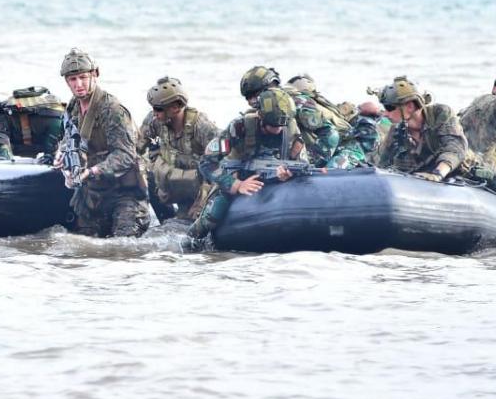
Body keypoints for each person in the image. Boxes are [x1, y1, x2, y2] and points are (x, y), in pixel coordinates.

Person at [377, 76, 496, 244]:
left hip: (471, 170)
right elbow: (381, 163)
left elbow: (455, 148)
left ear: (410, 106)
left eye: (389, 108)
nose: (385, 113)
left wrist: (438, 173)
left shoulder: (440, 114)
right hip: (428, 173)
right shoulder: (397, 132)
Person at [184, 88, 308, 249]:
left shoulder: (289, 127)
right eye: (273, 124)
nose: (278, 129)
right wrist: (236, 185)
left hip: (273, 176)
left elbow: (299, 162)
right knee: (214, 213)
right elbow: (207, 163)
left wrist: (286, 175)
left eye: (282, 125)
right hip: (239, 174)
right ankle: (190, 240)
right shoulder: (239, 127)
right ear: (261, 117)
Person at [55, 48, 149, 238]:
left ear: (95, 75)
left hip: (125, 195)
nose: (78, 84)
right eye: (73, 79)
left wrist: (91, 172)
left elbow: (125, 155)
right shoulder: (73, 106)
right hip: (92, 195)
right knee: (79, 243)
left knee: (123, 245)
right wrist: (61, 156)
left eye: (83, 77)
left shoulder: (112, 110)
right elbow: (69, 137)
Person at [136, 76, 218, 221]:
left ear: (175, 108)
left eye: (158, 109)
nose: (154, 113)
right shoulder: (155, 120)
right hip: (172, 183)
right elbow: (136, 147)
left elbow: (222, 165)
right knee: (148, 173)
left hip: (198, 189)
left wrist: (202, 201)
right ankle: (165, 218)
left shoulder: (202, 127)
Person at [239, 66, 346, 167]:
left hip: (344, 145)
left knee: (330, 170)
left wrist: (307, 161)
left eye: (254, 95)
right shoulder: (266, 109)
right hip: (319, 146)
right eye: (248, 97)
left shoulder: (296, 103)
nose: (250, 102)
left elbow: (331, 135)